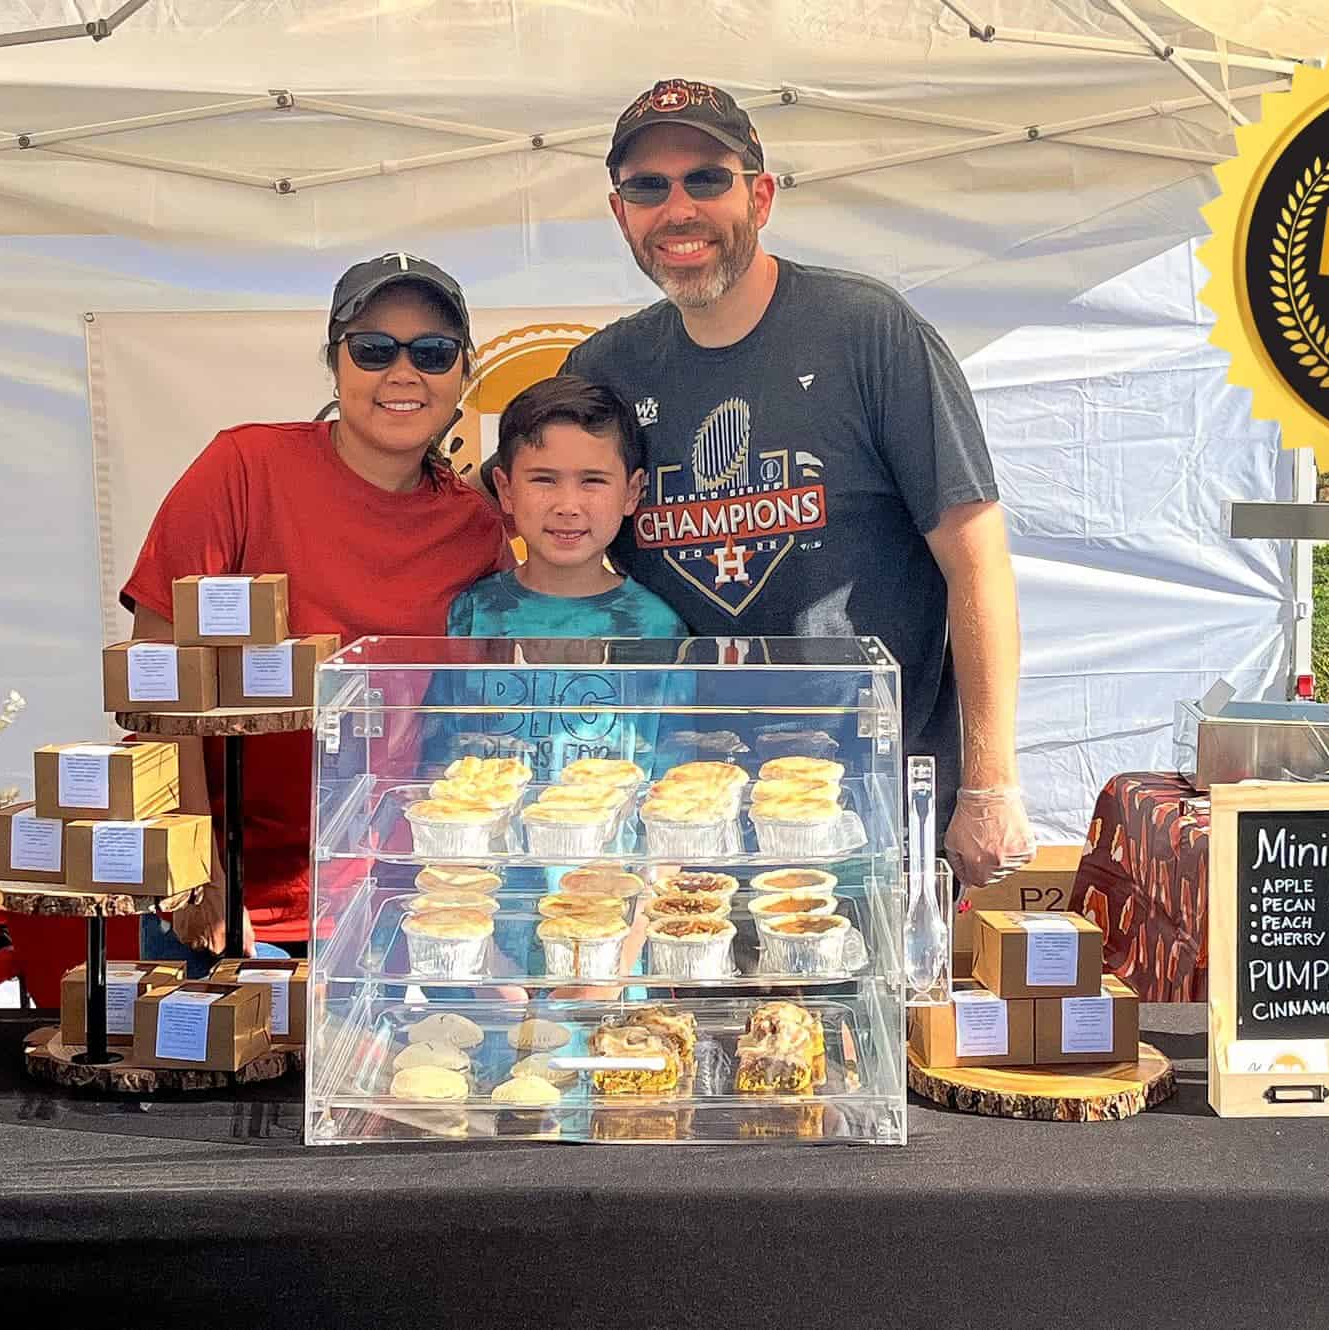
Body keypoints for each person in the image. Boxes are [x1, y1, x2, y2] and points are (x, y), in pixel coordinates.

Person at [558, 78, 1036, 887]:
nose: (678, 209)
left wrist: (990, 784)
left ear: (762, 194)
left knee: (862, 1016)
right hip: (684, 815)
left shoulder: (867, 332)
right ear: (620, 214)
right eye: (648, 187)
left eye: (707, 178)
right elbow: (555, 547)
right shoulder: (606, 369)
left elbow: (977, 557)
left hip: (869, 809)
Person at [122, 252, 508, 968]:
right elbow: (155, 672)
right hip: (228, 906)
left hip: (390, 903)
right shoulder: (242, 468)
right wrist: (194, 861)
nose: (403, 373)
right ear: (334, 363)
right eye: (372, 349)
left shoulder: (476, 530)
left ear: (464, 372)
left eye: (432, 352)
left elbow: (469, 721)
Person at [445, 373, 687, 775]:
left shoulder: (658, 627)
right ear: (505, 490)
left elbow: (674, 773)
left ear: (632, 492)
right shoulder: (472, 613)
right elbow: (445, 754)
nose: (567, 505)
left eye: (592, 481)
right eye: (544, 479)